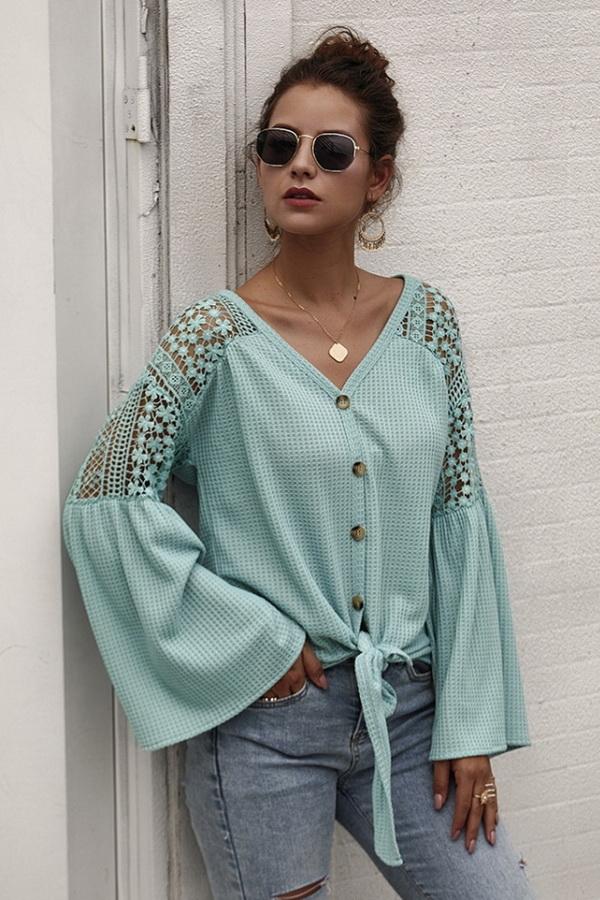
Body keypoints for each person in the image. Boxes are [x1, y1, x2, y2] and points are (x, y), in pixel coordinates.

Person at [62, 25, 536, 900]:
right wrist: (256, 643)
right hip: (268, 726)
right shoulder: (213, 339)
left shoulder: (429, 327)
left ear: (377, 177)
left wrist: (469, 723)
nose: (300, 167)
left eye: (331, 150)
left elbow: (456, 513)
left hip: (410, 711)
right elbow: (106, 498)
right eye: (279, 146)